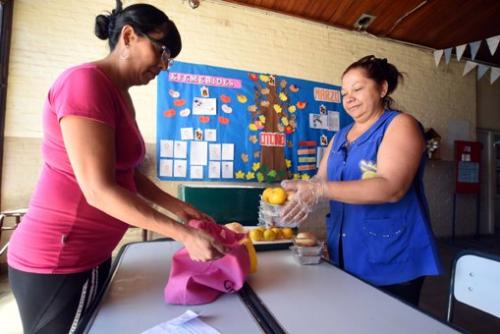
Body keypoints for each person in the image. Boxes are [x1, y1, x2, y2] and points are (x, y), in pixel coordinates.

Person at [7, 2, 226, 333]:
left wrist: (181, 209)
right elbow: (99, 190)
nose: (165, 66)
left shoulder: (120, 95)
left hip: (91, 254)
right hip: (57, 259)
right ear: (128, 36)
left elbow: (125, 175)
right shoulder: (84, 83)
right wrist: (184, 234)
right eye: (163, 52)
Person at [281, 55, 442, 306]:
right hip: (343, 251)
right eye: (344, 93)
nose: (349, 98)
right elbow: (321, 179)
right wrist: (301, 196)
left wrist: (319, 189)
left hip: (391, 253)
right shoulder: (340, 137)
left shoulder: (400, 125)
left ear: (382, 88)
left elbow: (392, 187)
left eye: (357, 89)